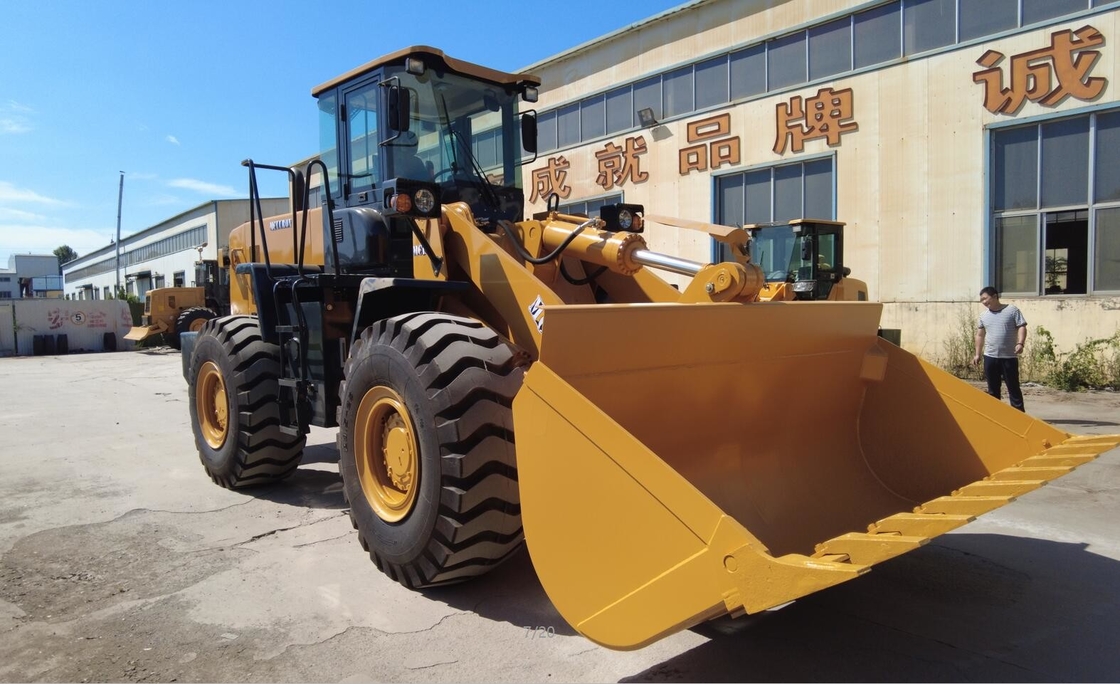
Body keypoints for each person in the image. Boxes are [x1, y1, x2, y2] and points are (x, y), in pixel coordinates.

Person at [972, 286, 1027, 411]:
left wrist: (1020, 343)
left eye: (985, 298)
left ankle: (1018, 415)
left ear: (995, 296)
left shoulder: (1012, 310)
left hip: (1009, 357)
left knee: (1013, 388)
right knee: (993, 390)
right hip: (990, 357)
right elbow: (980, 335)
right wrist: (977, 354)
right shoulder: (984, 316)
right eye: (981, 300)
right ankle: (996, 414)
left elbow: (1022, 327)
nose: (984, 302)